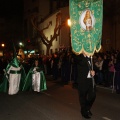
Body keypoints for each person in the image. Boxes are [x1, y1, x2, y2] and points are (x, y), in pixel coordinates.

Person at [75, 52, 96, 119]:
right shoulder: (79, 57)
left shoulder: (91, 58)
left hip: (90, 80)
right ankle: (84, 112)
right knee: (83, 98)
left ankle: (87, 108)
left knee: (93, 95)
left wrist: (94, 71)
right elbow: (82, 63)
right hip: (83, 81)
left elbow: (94, 67)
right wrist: (85, 56)